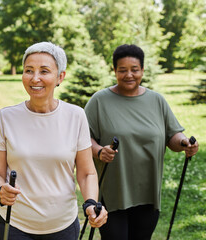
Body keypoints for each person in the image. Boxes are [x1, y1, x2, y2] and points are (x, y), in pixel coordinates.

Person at [0, 42, 108, 240]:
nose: (35, 78)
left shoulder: (76, 116)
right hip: (15, 225)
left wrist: (91, 203)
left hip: (63, 226)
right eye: (28, 70)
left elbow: (86, 173)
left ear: (60, 77)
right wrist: (0, 189)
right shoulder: (6, 117)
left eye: (44, 71)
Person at [84, 44, 199, 240]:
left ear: (143, 70)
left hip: (148, 193)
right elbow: (84, 139)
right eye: (122, 70)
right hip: (113, 194)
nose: (129, 75)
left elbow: (172, 135)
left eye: (135, 70)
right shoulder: (99, 101)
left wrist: (184, 143)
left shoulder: (156, 101)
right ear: (114, 71)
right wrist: (99, 151)